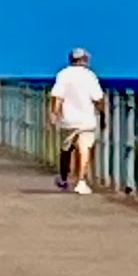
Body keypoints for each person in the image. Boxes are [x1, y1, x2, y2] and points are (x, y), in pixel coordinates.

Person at [49, 47, 105, 194]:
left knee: (66, 149)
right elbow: (98, 98)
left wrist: (54, 113)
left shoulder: (63, 74)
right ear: (85, 60)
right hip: (86, 119)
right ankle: (81, 181)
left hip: (68, 119)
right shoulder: (90, 76)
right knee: (84, 149)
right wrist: (103, 113)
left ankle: (64, 179)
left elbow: (58, 96)